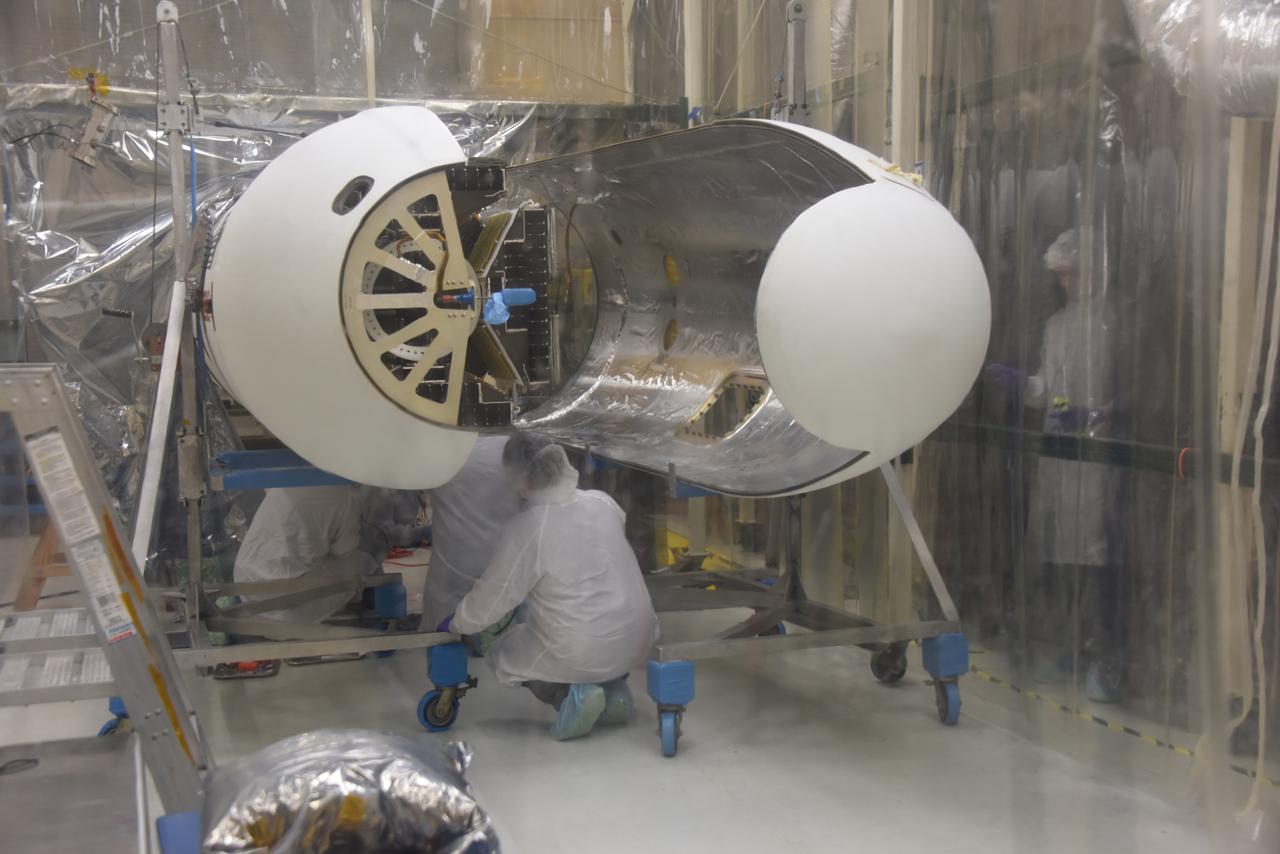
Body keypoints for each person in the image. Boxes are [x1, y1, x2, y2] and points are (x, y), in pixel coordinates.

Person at [439, 434, 659, 741]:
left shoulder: (529, 527)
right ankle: (614, 691)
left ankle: (568, 697)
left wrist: (458, 622)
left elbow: (493, 597)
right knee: (593, 633)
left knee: (503, 655)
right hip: (639, 639)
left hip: (580, 649)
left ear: (523, 477)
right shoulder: (602, 502)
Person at [988, 227, 1122, 702]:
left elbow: (1126, 394)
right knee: (1060, 554)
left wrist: (1096, 416)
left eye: (1074, 274)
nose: (1067, 283)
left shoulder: (1113, 324)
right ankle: (1070, 646)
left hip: (1097, 459)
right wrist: (1020, 384)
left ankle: (1101, 657)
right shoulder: (1057, 326)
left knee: (1096, 559)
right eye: (1062, 276)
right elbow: (1047, 389)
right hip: (1059, 456)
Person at [233, 485, 379, 622]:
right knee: (361, 560)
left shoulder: (284, 480)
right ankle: (363, 600)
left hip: (243, 582)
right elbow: (343, 551)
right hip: (286, 611)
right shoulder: (347, 496)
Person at [422, 437, 523, 632]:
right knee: (499, 632)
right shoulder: (515, 450)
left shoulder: (448, 450)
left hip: (452, 569)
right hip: (500, 568)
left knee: (442, 633)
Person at [359, 486, 428, 564]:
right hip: (376, 551)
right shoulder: (381, 490)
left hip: (402, 548)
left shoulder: (410, 487)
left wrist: (417, 532)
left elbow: (407, 519)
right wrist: (418, 533)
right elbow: (384, 532)